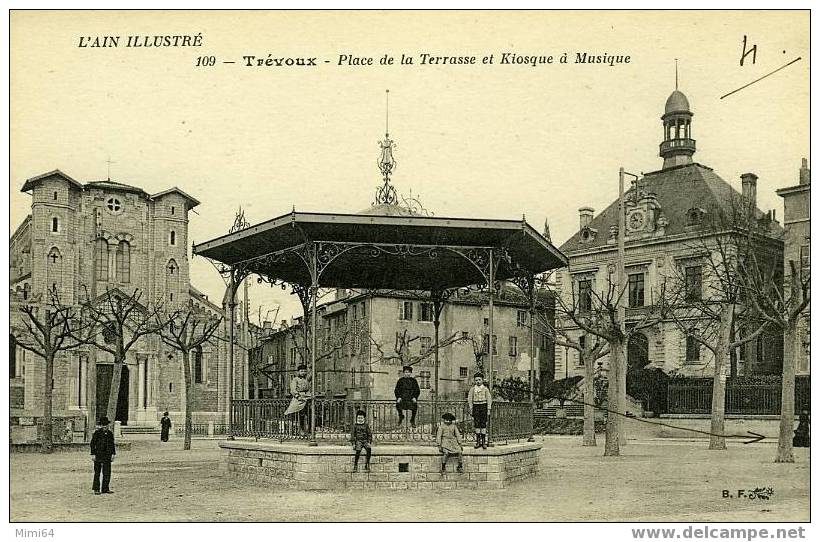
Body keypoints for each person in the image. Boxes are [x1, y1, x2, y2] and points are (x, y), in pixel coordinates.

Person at [90, 416, 116, 495]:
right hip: (98, 455)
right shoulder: (97, 433)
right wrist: (93, 454)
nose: (105, 427)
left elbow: (112, 444)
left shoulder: (110, 434)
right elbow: (92, 444)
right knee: (97, 472)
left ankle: (105, 488)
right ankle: (96, 489)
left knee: (107, 472)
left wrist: (113, 454)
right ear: (101, 426)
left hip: (107, 455)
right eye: (103, 425)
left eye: (106, 425)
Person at [284, 364, 312, 434]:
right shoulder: (295, 379)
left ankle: (310, 430)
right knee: (301, 414)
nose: (303, 373)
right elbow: (293, 389)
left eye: (305, 371)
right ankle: (301, 429)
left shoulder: (306, 379)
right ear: (298, 372)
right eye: (301, 371)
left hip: (307, 397)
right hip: (299, 398)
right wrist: (297, 396)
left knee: (310, 414)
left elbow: (311, 376)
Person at [468, 372, 492, 449]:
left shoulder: (485, 389)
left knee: (483, 424)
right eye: (476, 380)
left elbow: (489, 399)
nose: (478, 381)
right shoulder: (473, 389)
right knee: (477, 423)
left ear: (482, 380)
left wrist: (488, 409)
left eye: (479, 380)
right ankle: (478, 442)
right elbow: (470, 399)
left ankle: (483, 442)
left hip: (483, 406)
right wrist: (471, 408)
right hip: (476, 407)